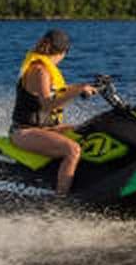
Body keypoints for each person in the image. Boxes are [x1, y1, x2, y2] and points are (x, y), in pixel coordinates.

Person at [9, 29, 97, 196]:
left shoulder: (45, 69)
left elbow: (58, 90)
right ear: (63, 52)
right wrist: (77, 91)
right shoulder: (40, 71)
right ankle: (60, 199)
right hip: (24, 131)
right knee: (72, 150)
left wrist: (82, 87)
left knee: (87, 130)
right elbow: (48, 105)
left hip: (46, 129)